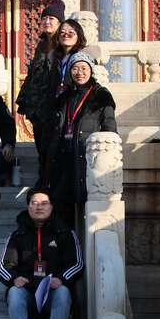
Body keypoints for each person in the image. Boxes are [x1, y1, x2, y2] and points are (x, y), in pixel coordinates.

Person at [0, 188, 83, 319]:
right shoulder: (18, 235)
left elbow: (77, 264)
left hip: (53, 295)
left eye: (44, 203)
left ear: (51, 207)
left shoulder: (65, 233)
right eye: (34, 203)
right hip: (28, 295)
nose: (39, 207)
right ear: (28, 207)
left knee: (63, 291)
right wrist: (14, 279)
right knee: (14, 292)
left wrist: (61, 279)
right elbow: (3, 267)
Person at [42, 51, 116, 228]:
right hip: (63, 157)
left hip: (86, 157)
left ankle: (82, 244)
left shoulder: (100, 95)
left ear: (91, 71)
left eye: (84, 68)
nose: (79, 72)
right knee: (60, 204)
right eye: (75, 68)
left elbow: (110, 127)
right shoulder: (64, 97)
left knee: (85, 205)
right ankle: (66, 242)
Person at [16, 0, 70, 166]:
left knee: (53, 149)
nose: (47, 22)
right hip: (37, 106)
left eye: (51, 19)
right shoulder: (42, 45)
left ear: (60, 23)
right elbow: (34, 74)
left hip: (54, 105)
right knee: (41, 147)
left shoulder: (64, 44)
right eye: (44, 18)